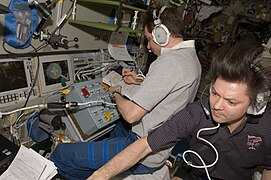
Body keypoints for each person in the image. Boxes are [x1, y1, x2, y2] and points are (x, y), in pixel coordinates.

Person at [50, 2, 201, 180]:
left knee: (62, 155)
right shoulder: (191, 59)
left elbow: (130, 115)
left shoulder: (170, 62)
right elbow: (167, 93)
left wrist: (116, 93)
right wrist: (136, 83)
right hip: (158, 145)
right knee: (117, 127)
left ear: (161, 36)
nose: (149, 47)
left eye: (149, 39)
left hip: (142, 150)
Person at [88, 39, 271, 180]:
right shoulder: (196, 113)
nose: (216, 105)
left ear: (255, 104)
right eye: (215, 93)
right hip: (193, 173)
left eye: (231, 102)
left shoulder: (267, 128)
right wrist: (101, 175)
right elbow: (145, 145)